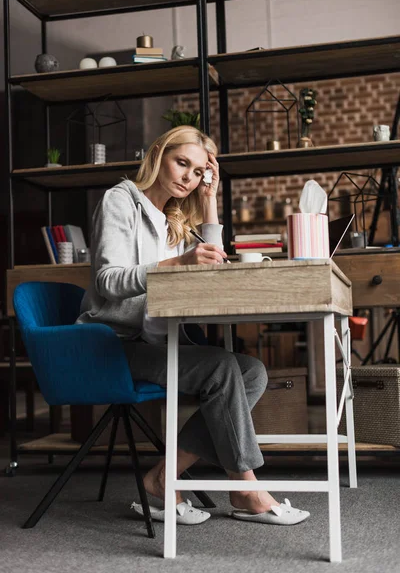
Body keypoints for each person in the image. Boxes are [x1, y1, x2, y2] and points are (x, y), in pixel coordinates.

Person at [77, 125, 310, 526]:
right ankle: (246, 486)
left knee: (251, 371)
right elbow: (108, 281)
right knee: (221, 369)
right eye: (182, 163)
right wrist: (177, 263)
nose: (188, 176)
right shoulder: (121, 200)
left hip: (156, 340)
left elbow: (212, 260)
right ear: (157, 156)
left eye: (198, 170)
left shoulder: (173, 217)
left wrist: (210, 200)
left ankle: (162, 477)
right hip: (110, 344)